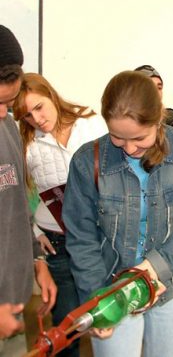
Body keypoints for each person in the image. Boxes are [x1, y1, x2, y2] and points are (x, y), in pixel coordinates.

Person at [62, 70, 173, 357]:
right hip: (111, 288)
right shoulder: (88, 161)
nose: (130, 148)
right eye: (117, 138)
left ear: (158, 118)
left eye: (139, 138)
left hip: (171, 286)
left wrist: (154, 266)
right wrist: (96, 301)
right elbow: (81, 237)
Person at [12, 72, 108, 357]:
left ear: (51, 95)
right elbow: (21, 198)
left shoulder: (91, 125)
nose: (37, 119)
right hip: (58, 241)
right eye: (27, 115)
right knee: (66, 326)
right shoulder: (27, 145)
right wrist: (37, 234)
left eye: (39, 107)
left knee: (104, 314)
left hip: (99, 237)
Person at [0, 25, 57, 356]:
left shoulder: (7, 125)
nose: (4, 113)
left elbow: (17, 206)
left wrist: (37, 262)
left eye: (9, 103)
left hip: (12, 304)